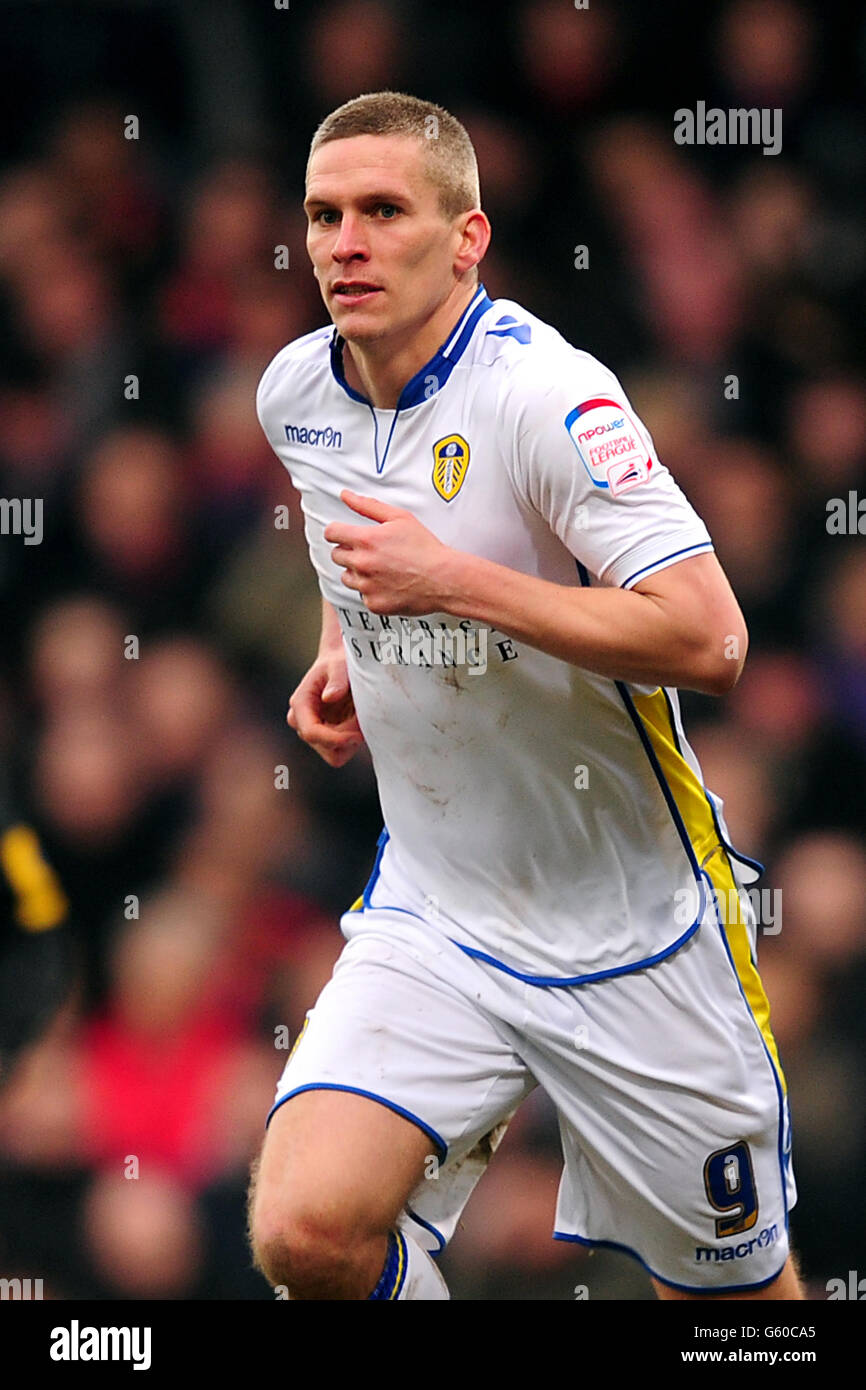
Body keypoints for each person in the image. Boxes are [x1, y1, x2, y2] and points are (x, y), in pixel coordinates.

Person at [249, 91, 800, 1301]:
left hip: (633, 930)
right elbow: (373, 568)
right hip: (439, 912)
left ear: (466, 238)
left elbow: (710, 639)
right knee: (304, 1231)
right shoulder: (294, 395)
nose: (344, 243)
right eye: (323, 214)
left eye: (383, 211)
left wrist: (456, 584)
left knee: (737, 1314)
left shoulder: (547, 398)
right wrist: (351, 654)